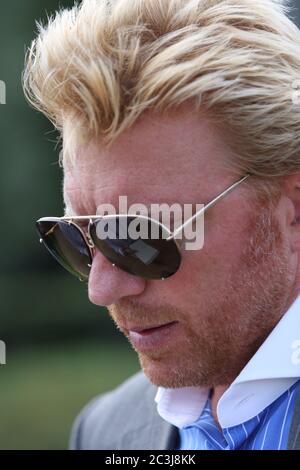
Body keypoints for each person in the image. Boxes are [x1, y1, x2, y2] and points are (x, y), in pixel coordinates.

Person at [23, 0, 300, 450]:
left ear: (293, 210)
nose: (101, 290)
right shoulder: (102, 431)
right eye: (77, 237)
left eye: (139, 237)